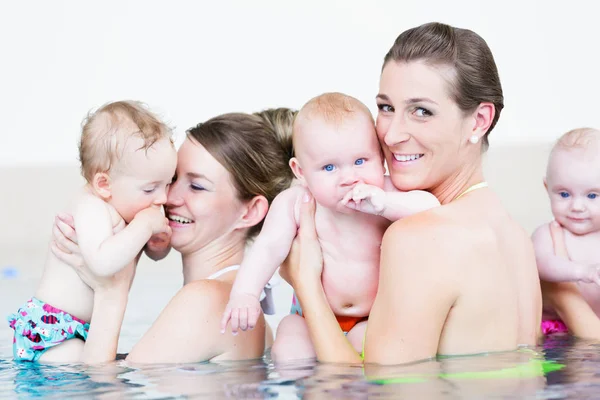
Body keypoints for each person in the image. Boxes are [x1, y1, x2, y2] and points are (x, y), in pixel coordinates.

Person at [281, 22, 542, 365]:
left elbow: (374, 388)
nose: (390, 135)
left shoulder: (417, 237)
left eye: (422, 111)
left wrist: (306, 283)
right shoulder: (515, 236)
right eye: (386, 107)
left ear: (479, 121)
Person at [51, 108, 297, 363]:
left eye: (197, 186)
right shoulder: (242, 309)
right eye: (172, 179)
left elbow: (99, 388)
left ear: (250, 212)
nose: (168, 197)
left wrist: (110, 292)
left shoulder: (207, 301)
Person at [221, 92, 439, 361]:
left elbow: (431, 209)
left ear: (380, 157)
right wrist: (245, 293)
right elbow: (267, 249)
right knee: (289, 351)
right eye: (329, 168)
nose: (349, 177)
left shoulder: (383, 192)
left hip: (372, 317)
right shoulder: (295, 202)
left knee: (370, 353)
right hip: (306, 316)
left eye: (360, 161)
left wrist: (384, 204)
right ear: (300, 172)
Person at [7, 100, 176, 362]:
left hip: (82, 329)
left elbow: (154, 255)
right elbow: (102, 263)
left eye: (168, 184)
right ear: (104, 184)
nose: (162, 198)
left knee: (107, 365)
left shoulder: (130, 206)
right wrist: (144, 227)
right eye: (150, 188)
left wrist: (158, 242)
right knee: (91, 375)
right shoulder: (91, 207)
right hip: (53, 330)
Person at [532, 128, 600, 334]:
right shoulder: (549, 234)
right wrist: (582, 271)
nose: (577, 206)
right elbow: (542, 264)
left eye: (592, 196)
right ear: (547, 188)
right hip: (556, 331)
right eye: (564, 194)